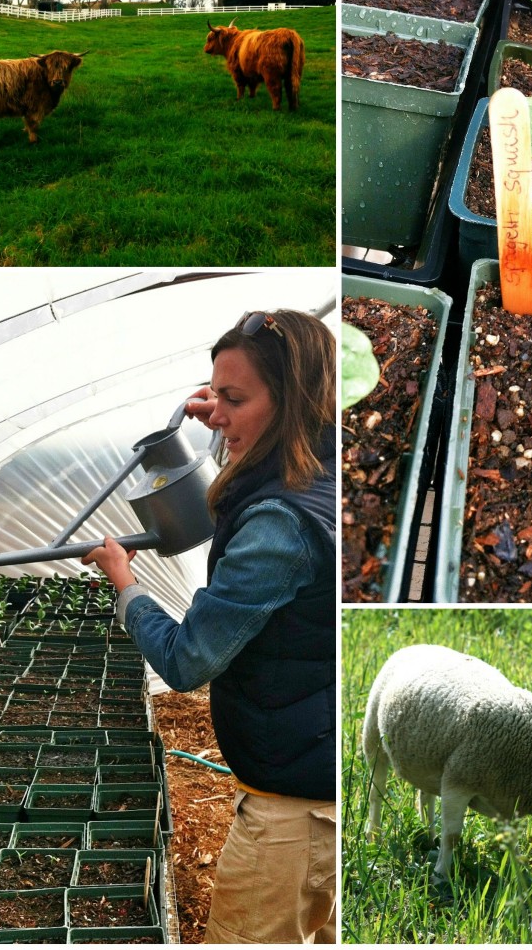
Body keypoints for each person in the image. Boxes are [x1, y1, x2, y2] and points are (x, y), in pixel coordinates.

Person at [82, 309, 336, 944]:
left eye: (234, 397)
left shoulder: (279, 524)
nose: (215, 412)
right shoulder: (327, 461)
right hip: (318, 774)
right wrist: (222, 415)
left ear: (294, 400)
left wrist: (126, 585)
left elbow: (188, 659)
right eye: (212, 393)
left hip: (293, 813)